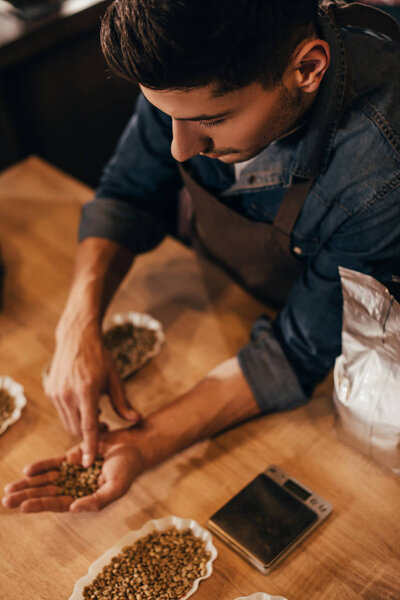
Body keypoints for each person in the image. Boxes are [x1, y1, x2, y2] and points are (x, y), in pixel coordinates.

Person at [3, 0, 400, 512]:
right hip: (228, 299)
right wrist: (76, 325)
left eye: (212, 120)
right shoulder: (187, 65)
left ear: (307, 69)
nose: (180, 149)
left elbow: (298, 350)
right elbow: (128, 192)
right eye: (167, 116)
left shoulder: (379, 168)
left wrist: (143, 444)